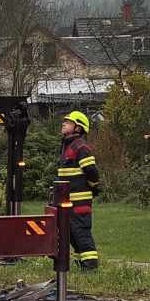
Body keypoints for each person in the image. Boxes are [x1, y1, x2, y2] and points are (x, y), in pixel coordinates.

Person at [53, 110, 100, 270]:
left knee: (81, 233)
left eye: (68, 122)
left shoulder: (80, 146)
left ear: (78, 128)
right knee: (71, 234)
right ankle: (82, 263)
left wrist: (94, 187)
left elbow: (92, 171)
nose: (63, 123)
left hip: (79, 201)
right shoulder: (66, 146)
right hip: (67, 201)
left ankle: (90, 265)